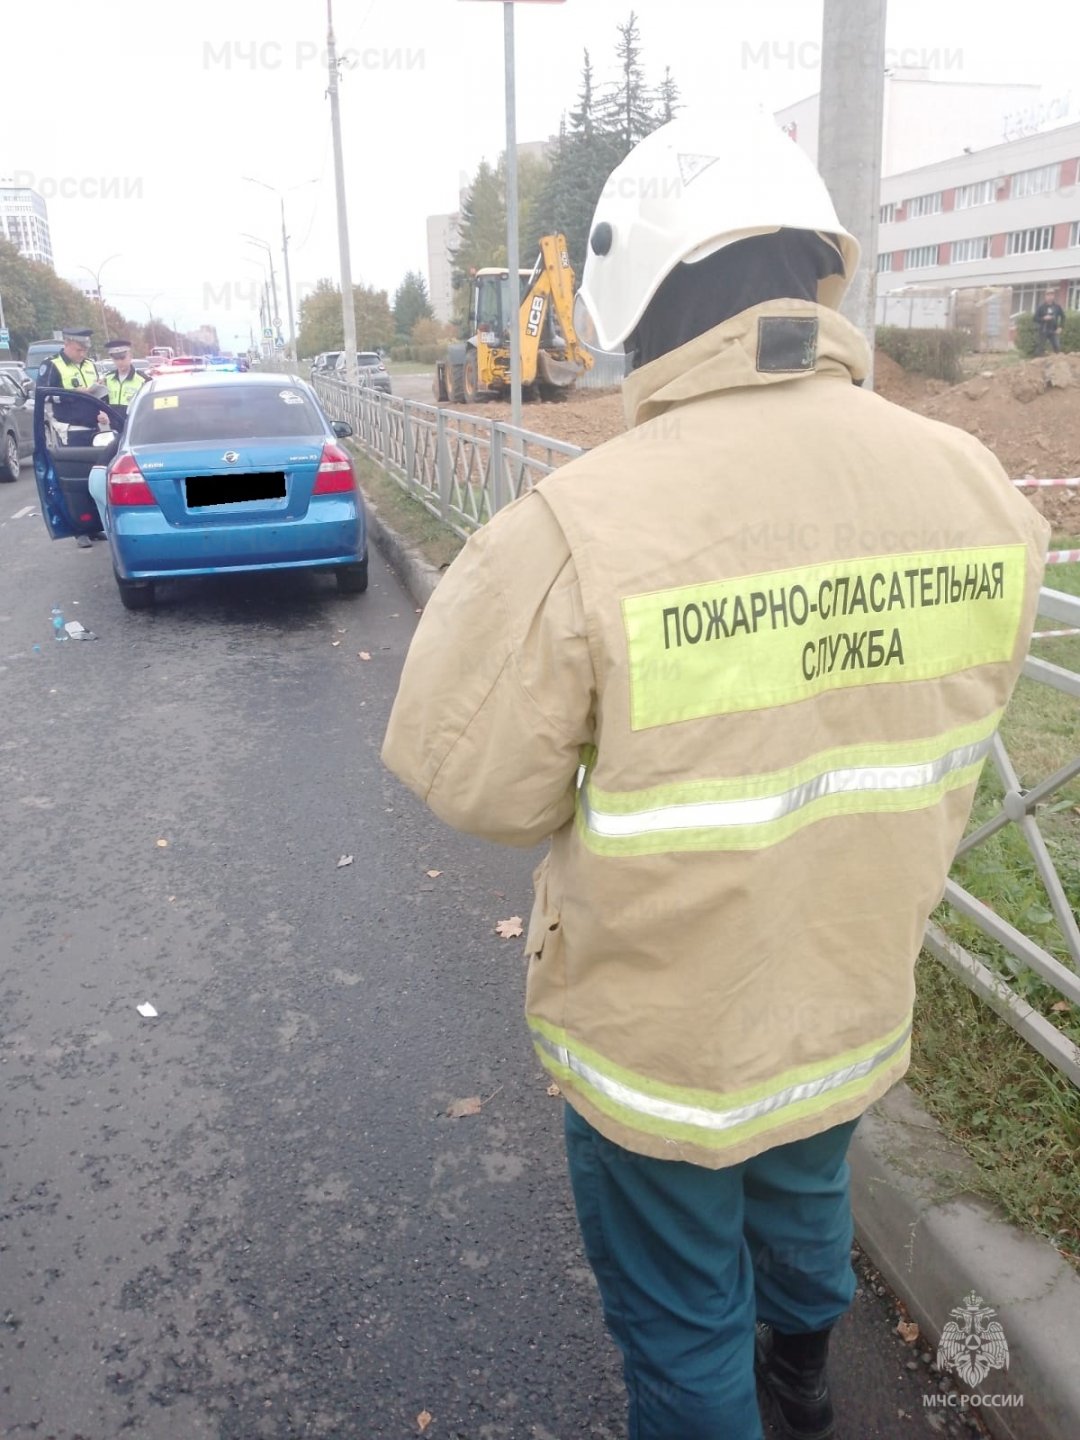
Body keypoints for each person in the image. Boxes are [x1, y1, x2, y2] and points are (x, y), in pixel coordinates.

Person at [380, 105, 1049, 1440]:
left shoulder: (583, 527)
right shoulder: (980, 489)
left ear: (638, 305)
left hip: (662, 1047)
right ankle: (803, 1388)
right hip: (847, 1001)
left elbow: (480, 788)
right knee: (805, 1200)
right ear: (817, 274)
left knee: (685, 1324)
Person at [37, 328, 99, 423]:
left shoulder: (90, 364)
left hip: (94, 427)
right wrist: (73, 394)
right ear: (66, 344)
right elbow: (43, 395)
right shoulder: (52, 364)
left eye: (85, 350)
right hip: (68, 428)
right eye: (78, 350)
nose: (82, 354)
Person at [98, 338, 147, 428]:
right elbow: (101, 404)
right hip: (113, 431)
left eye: (122, 357)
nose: (120, 362)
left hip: (134, 429)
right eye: (115, 359)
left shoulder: (143, 380)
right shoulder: (107, 379)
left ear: (130, 356)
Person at [1034, 289, 1065, 354]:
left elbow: (1063, 317)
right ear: (1045, 296)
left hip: (1054, 330)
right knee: (1040, 348)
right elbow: (1035, 318)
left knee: (1057, 347)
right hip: (1043, 330)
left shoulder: (1057, 306)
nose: (1050, 297)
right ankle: (1038, 361)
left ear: (1054, 296)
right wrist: (1043, 318)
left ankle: (1057, 362)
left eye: (1051, 295)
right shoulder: (1041, 307)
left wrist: (1060, 327)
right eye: (1048, 295)